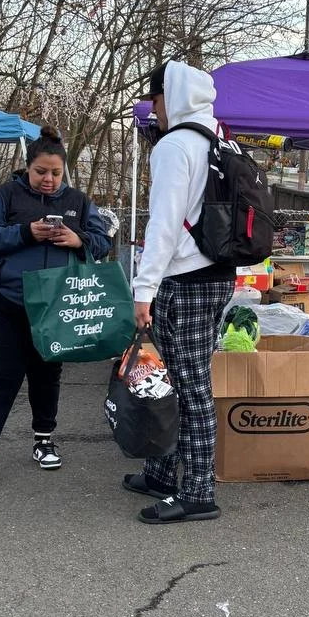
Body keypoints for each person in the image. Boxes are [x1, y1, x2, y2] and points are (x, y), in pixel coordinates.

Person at [0, 127, 112, 484]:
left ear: (64, 171)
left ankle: (44, 441)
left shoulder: (78, 201)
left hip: (56, 303)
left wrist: (78, 239)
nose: (48, 179)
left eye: (56, 173)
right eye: (41, 172)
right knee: (2, 375)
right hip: (7, 301)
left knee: (47, 374)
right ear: (27, 168)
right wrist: (25, 232)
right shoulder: (6, 195)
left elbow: (103, 242)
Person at [123, 61, 235, 525]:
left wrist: (143, 288)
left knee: (188, 389)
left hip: (184, 281)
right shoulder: (220, 139)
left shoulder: (175, 145)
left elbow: (164, 224)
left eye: (155, 100)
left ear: (169, 95)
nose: (154, 111)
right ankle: (161, 472)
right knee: (177, 380)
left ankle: (198, 491)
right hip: (218, 276)